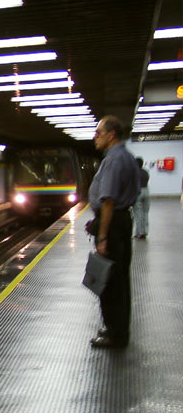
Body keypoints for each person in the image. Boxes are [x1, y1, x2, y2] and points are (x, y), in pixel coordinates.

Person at [87, 116, 140, 349]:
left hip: (113, 223)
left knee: (110, 282)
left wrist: (102, 237)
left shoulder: (114, 160)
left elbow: (108, 201)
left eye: (98, 132)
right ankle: (116, 329)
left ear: (111, 135)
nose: (95, 137)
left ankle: (115, 335)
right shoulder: (125, 156)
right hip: (120, 222)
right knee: (118, 279)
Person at [132, 157, 150, 238]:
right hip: (146, 191)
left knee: (138, 214)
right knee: (145, 213)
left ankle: (139, 233)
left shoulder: (134, 172)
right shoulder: (146, 172)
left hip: (138, 192)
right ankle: (145, 231)